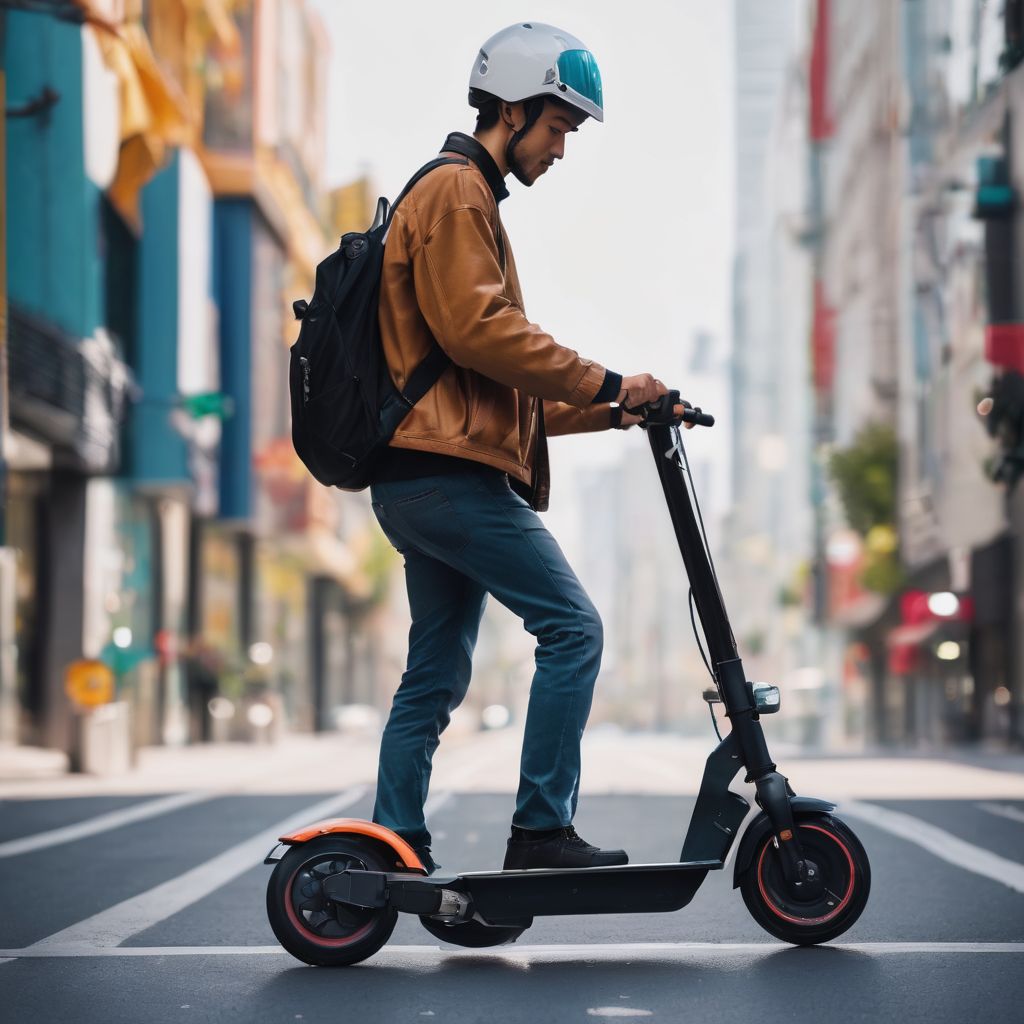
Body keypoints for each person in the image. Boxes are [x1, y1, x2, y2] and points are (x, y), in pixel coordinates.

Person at [370, 22, 683, 874]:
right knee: (573, 629)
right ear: (511, 108)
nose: (561, 148)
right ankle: (541, 831)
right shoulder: (456, 192)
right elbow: (483, 333)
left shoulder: (464, 196)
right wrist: (606, 379)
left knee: (433, 678)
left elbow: (499, 399)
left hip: (422, 476)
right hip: (448, 480)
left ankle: (392, 844)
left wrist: (616, 410)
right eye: (557, 126)